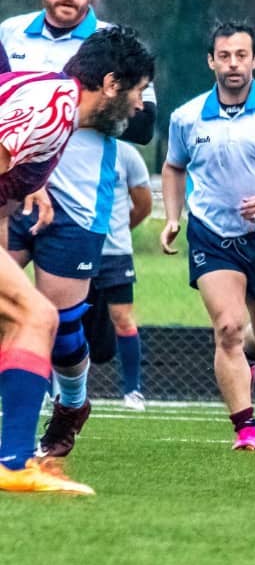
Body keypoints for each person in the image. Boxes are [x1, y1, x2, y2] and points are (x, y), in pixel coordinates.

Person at [0, 0, 157, 458]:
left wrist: (22, 184)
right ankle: (15, 460)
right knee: (35, 317)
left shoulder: (73, 92)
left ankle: (20, 452)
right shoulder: (51, 109)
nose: (139, 104)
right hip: (21, 202)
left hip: (76, 209)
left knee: (45, 320)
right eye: (136, 92)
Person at [161, 21, 255, 451]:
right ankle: (246, 429)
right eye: (224, 56)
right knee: (227, 327)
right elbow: (173, 167)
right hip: (212, 235)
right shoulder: (186, 117)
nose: (233, 64)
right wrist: (173, 217)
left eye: (241, 55)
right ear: (211, 61)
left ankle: (250, 356)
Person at [83, 141, 152, 410]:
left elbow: (143, 205)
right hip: (76, 249)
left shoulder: (126, 154)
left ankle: (132, 391)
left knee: (123, 319)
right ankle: (55, 390)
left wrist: (118, 231)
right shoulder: (66, 147)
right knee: (65, 319)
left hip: (115, 254)